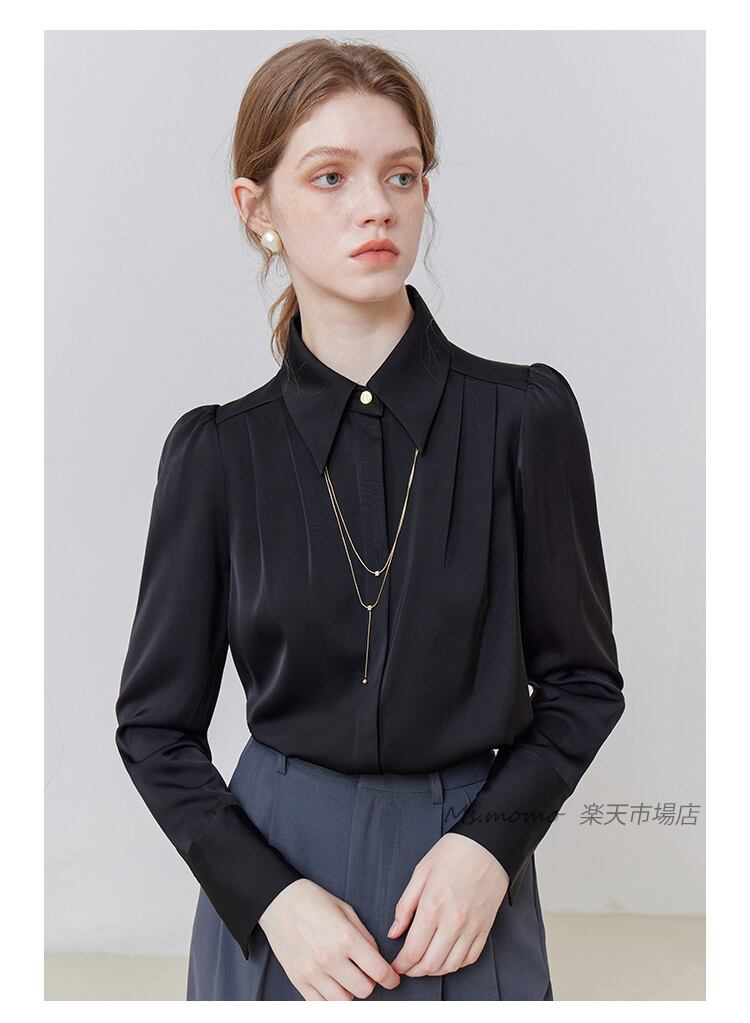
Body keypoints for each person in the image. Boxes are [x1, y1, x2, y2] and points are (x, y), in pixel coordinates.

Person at [114, 36, 626, 1001]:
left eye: (401, 174)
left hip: (465, 882)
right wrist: (269, 898)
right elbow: (154, 729)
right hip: (276, 883)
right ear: (256, 208)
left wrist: (490, 847)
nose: (376, 206)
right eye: (330, 177)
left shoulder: (525, 418)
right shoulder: (217, 453)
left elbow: (584, 684)